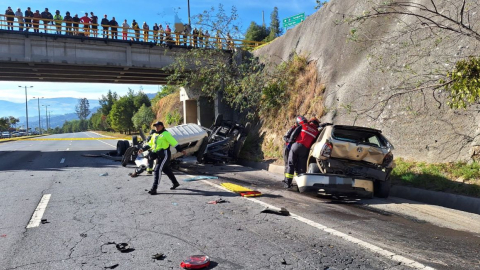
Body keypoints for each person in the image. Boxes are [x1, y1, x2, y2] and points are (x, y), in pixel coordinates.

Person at [131, 121, 186, 195]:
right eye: (155, 126)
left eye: (158, 126)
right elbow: (150, 144)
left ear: (162, 126)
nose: (156, 127)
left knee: (157, 170)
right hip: (158, 155)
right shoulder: (154, 134)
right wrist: (143, 149)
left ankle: (154, 188)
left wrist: (181, 150)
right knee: (166, 169)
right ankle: (175, 183)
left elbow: (174, 142)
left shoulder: (166, 134)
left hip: (164, 155)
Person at [284, 117, 320, 189]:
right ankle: (299, 185)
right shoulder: (316, 132)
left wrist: (290, 142)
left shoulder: (304, 125)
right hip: (305, 149)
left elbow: (294, 134)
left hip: (296, 146)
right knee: (301, 167)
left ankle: (287, 183)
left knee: (291, 164)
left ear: (310, 122)